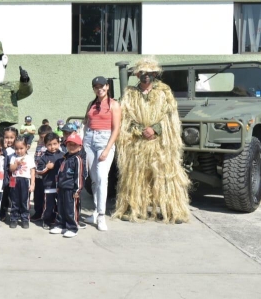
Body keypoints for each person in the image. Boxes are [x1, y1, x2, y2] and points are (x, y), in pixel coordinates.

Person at [113, 58, 190, 224]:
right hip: (137, 143)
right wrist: (140, 130)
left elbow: (170, 116)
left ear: (154, 74)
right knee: (134, 176)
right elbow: (125, 116)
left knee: (165, 177)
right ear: (137, 74)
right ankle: (132, 208)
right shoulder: (130, 94)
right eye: (142, 73)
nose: (145, 76)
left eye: (149, 73)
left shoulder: (164, 93)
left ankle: (171, 211)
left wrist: (155, 128)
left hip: (159, 143)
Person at [82, 76, 121, 232]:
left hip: (104, 140)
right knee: (93, 178)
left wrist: (107, 149)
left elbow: (116, 129)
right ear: (94, 89)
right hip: (89, 140)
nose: (100, 89)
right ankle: (95, 211)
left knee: (102, 177)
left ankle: (101, 216)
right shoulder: (91, 104)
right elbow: (86, 123)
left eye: (102, 86)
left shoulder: (114, 105)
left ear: (107, 87)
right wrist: (81, 140)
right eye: (96, 87)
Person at [49, 133, 86, 239]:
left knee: (70, 209)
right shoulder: (65, 158)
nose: (71, 147)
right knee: (61, 208)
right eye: (69, 144)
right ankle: (61, 225)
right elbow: (60, 173)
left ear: (80, 146)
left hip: (71, 189)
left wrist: (77, 190)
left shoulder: (78, 159)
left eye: (74, 145)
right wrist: (58, 185)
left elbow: (79, 176)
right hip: (61, 188)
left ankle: (72, 228)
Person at [35, 132, 65, 230]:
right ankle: (46, 220)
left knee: (61, 205)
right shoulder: (44, 157)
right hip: (49, 186)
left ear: (59, 143)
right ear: (45, 145)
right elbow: (38, 171)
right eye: (49, 144)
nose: (52, 147)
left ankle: (58, 221)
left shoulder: (63, 156)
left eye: (54, 144)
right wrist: (47, 167)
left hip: (61, 186)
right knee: (49, 205)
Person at [9, 136, 35, 229]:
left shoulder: (29, 158)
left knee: (24, 201)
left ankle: (25, 219)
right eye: (16, 148)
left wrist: (32, 184)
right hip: (14, 179)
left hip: (25, 180)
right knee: (14, 200)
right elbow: (11, 168)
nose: (19, 151)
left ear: (26, 147)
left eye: (21, 148)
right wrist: (17, 164)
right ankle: (14, 218)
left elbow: (32, 172)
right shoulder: (13, 157)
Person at [31, 124, 53, 222]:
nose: (43, 140)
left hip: (46, 176)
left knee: (46, 197)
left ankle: (48, 214)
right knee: (37, 195)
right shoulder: (39, 146)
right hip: (37, 175)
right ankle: (38, 212)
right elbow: (35, 158)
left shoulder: (51, 147)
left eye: (45, 138)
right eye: (41, 137)